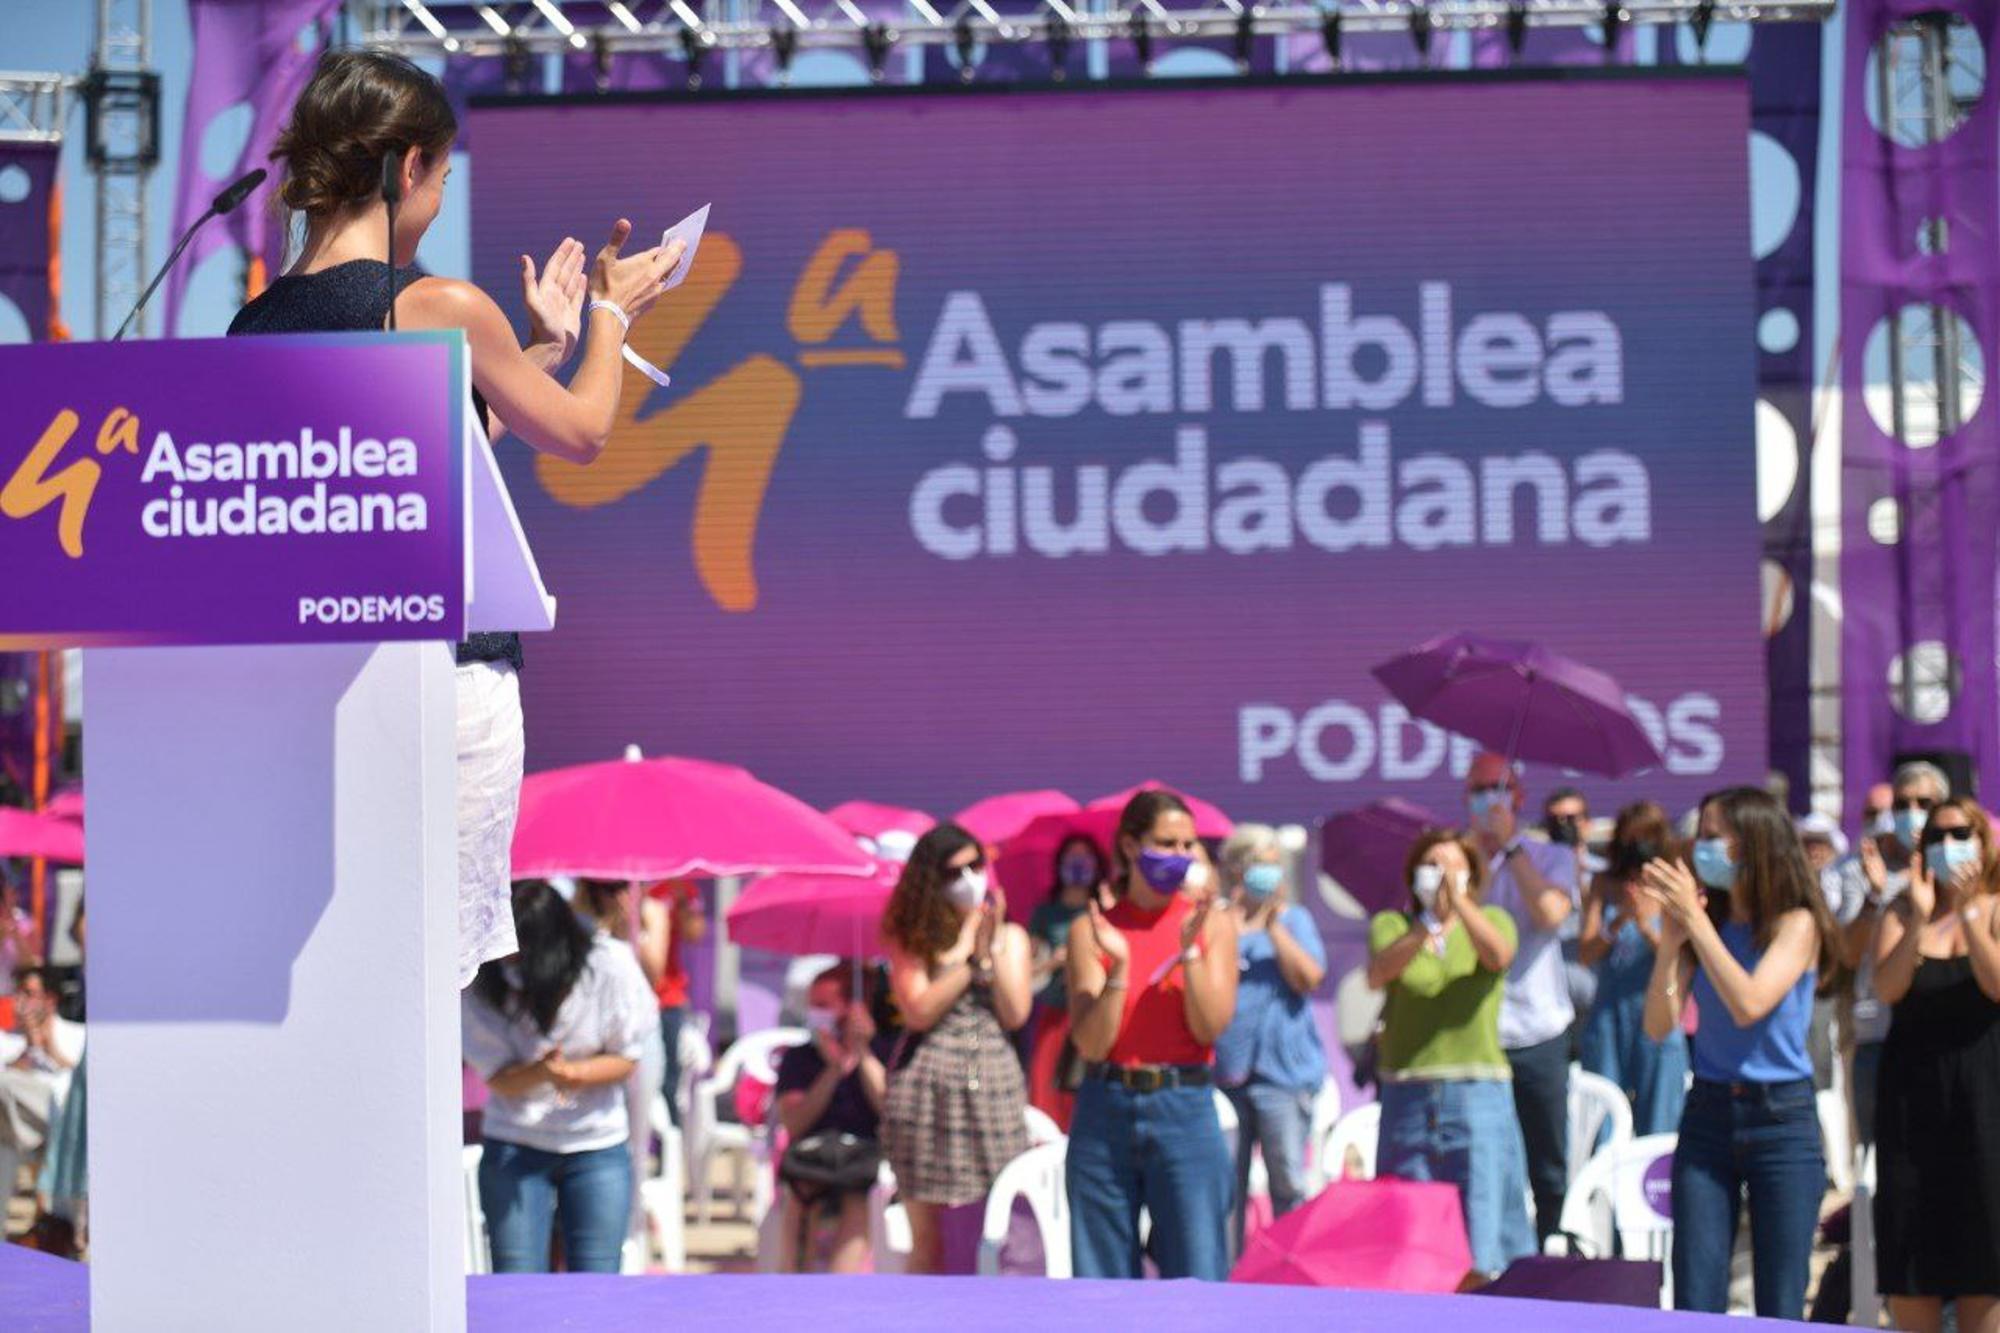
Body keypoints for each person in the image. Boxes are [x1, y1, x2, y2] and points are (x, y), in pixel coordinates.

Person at [237, 49, 685, 989]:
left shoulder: (257, 325)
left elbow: (416, 455)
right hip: (448, 678)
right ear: (407, 170)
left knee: (349, 960)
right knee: (428, 969)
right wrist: (609, 314)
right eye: (440, 179)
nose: (438, 201)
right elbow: (584, 433)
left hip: (318, 683)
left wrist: (535, 352)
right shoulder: (437, 302)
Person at [1642, 786, 1839, 1317]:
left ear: (1752, 843)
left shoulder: (1796, 922)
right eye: (1699, 836)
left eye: (1713, 836)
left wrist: (1698, 926)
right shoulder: (1710, 925)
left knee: (1779, 1298)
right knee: (1697, 1297)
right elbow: (1658, 1025)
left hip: (1781, 1118)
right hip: (1709, 1112)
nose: (1700, 849)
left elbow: (1749, 1002)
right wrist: (1669, 947)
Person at [1065, 789, 1240, 1281]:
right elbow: (1092, 1044)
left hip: (1184, 1107)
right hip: (1105, 1106)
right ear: (1128, 846)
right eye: (1166, 844)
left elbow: (1210, 1026)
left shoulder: (1213, 925)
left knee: (1198, 1273)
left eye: (1188, 845)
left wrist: (1191, 953)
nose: (1181, 857)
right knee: (1101, 1279)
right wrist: (1118, 967)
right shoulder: (1092, 930)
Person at [462, 881, 653, 1273]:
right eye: (503, 956)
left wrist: (576, 1073)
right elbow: (498, 1078)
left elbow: (627, 1058)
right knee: (517, 1280)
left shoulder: (608, 966)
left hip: (597, 1145)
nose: (511, 965)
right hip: (515, 1145)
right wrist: (542, 1073)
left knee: (597, 1280)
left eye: (520, 957)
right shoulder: (480, 981)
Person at [1368, 829, 1532, 1280]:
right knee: (1409, 1233)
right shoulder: (1393, 925)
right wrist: (1425, 925)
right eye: (1431, 864)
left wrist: (1459, 905)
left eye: (1451, 864)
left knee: (1484, 1232)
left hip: (1476, 1094)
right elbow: (1378, 973)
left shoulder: (1494, 918)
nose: (1440, 875)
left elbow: (1498, 956)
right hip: (1408, 1096)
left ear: (1471, 874)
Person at [1870, 796, 2000, 1333]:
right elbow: (1887, 987)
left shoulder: (1994, 905)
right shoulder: (1904, 908)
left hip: (1983, 1106)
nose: (1949, 847)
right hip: (1911, 1106)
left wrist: (1969, 913)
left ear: (1984, 841)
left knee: (1985, 1264)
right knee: (1910, 1255)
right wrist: (1923, 916)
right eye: (1937, 837)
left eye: (1960, 833)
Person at [880, 823, 1032, 1275]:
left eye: (975, 866)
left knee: (1001, 1226)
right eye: (954, 872)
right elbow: (919, 1011)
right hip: (926, 1095)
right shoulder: (911, 938)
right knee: (927, 1239)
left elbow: (1015, 1012)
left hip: (993, 1092)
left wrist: (991, 948)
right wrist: (968, 956)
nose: (969, 879)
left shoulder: (1012, 937)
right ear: (931, 882)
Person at [1464, 752, 1578, 1245]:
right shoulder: (1460, 858)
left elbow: (1551, 914)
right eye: (1479, 789)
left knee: (1547, 1163)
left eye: (1498, 787)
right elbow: (1464, 922)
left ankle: (1551, 1254)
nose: (1488, 798)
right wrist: (1481, 858)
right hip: (1482, 1035)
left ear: (1519, 797)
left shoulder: (1551, 855)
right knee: (1489, 1159)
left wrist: (1512, 845)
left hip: (1540, 1031)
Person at [1215, 823, 1326, 1251]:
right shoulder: (1219, 922)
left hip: (1284, 1076)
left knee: (1288, 1181)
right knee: (1226, 1193)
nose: (1269, 872)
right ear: (1238, 868)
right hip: (1227, 1077)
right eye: (1260, 863)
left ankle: (1290, 1272)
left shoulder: (1295, 919)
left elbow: (1309, 977)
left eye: (1274, 864)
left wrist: (1274, 927)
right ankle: (1224, 1281)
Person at [1849, 762, 1950, 1145]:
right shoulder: (1869, 868)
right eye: (1903, 803)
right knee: (1882, 1167)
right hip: (1878, 1035)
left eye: (1925, 802)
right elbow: (1848, 954)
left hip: (1943, 1038)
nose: (1913, 813)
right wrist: (1876, 897)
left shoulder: (1962, 875)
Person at [1577, 802, 1688, 1137]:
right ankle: (1604, 1184)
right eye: (1631, 839)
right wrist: (1621, 918)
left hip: (1658, 1007)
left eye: (1645, 839)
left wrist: (1646, 925)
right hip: (1610, 1013)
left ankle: (1656, 1185)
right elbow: (1586, 952)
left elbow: (1683, 958)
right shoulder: (1603, 884)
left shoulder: (1674, 885)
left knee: (1660, 1116)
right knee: (1604, 1118)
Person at [773, 963, 893, 1274]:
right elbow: (795, 1123)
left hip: (862, 1157)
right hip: (812, 1156)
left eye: (823, 1005)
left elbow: (889, 1109)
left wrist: (862, 1053)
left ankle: (840, 1290)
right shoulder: (798, 1058)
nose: (815, 1013)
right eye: (812, 1004)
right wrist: (833, 1071)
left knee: (858, 1192)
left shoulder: (883, 1052)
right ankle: (796, 1284)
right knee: (802, 1190)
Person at [1026, 835, 1105, 1129]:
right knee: (1047, 1094)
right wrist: (1055, 960)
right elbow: (1027, 971)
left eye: (1085, 858)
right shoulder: (1044, 914)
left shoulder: (1103, 911)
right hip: (1054, 1017)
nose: (1078, 865)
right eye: (1072, 857)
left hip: (1092, 1016)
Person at [639, 879, 705, 1128]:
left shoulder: (680, 887)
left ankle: (670, 1148)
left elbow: (694, 933)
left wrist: (682, 903)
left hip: (667, 1000)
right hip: (630, 1000)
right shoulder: (619, 885)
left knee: (669, 1079)